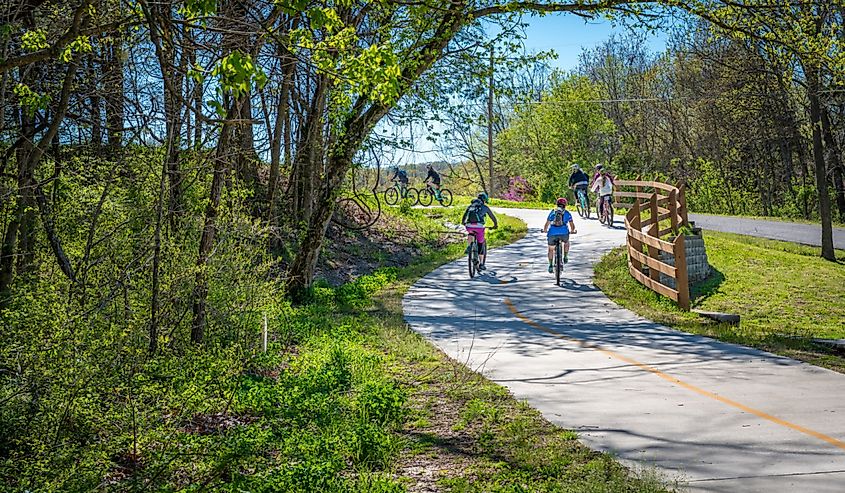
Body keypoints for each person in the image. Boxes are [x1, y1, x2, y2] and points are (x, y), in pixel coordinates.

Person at [462, 192, 498, 270]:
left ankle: (469, 246)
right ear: (484, 200)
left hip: (469, 226)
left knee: (470, 233)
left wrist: (464, 223)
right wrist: (495, 225)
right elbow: (493, 217)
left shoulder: (471, 206)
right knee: (481, 243)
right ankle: (481, 263)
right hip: (479, 227)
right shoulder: (485, 207)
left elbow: (465, 216)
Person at [541, 198, 577, 273]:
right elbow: (572, 225)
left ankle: (550, 265)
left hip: (552, 233)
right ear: (565, 205)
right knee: (566, 243)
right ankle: (566, 256)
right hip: (564, 233)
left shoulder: (553, 212)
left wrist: (545, 230)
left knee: (551, 249)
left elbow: (547, 223)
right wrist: (572, 231)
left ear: (557, 204)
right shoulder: (567, 213)